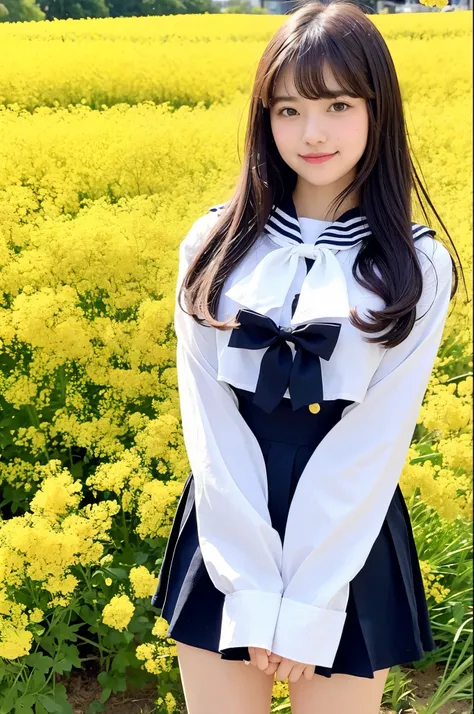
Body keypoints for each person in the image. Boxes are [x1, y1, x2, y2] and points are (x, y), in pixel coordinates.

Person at [151, 0, 463, 711]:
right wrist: (253, 582)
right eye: (287, 110)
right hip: (230, 523)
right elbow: (209, 424)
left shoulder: (417, 266)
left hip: (348, 534)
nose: (311, 133)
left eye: (336, 105)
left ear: (378, 111)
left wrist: (310, 597)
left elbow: (375, 441)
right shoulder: (213, 246)